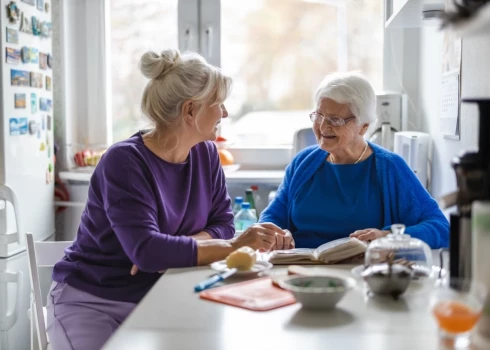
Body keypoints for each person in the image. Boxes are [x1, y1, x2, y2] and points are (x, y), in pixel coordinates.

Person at [46, 49, 289, 350]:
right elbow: (149, 252)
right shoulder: (124, 161)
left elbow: (223, 223)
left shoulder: (206, 154)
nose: (225, 114)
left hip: (159, 295)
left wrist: (172, 248)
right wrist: (233, 247)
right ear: (190, 111)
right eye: (218, 104)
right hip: (93, 300)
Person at [260, 72, 449, 250]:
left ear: (363, 126)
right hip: (299, 271)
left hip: (362, 274)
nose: (323, 126)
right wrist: (277, 234)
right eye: (319, 116)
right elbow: (271, 217)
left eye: (335, 119)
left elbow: (441, 228)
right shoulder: (303, 162)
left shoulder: (390, 167)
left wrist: (388, 237)